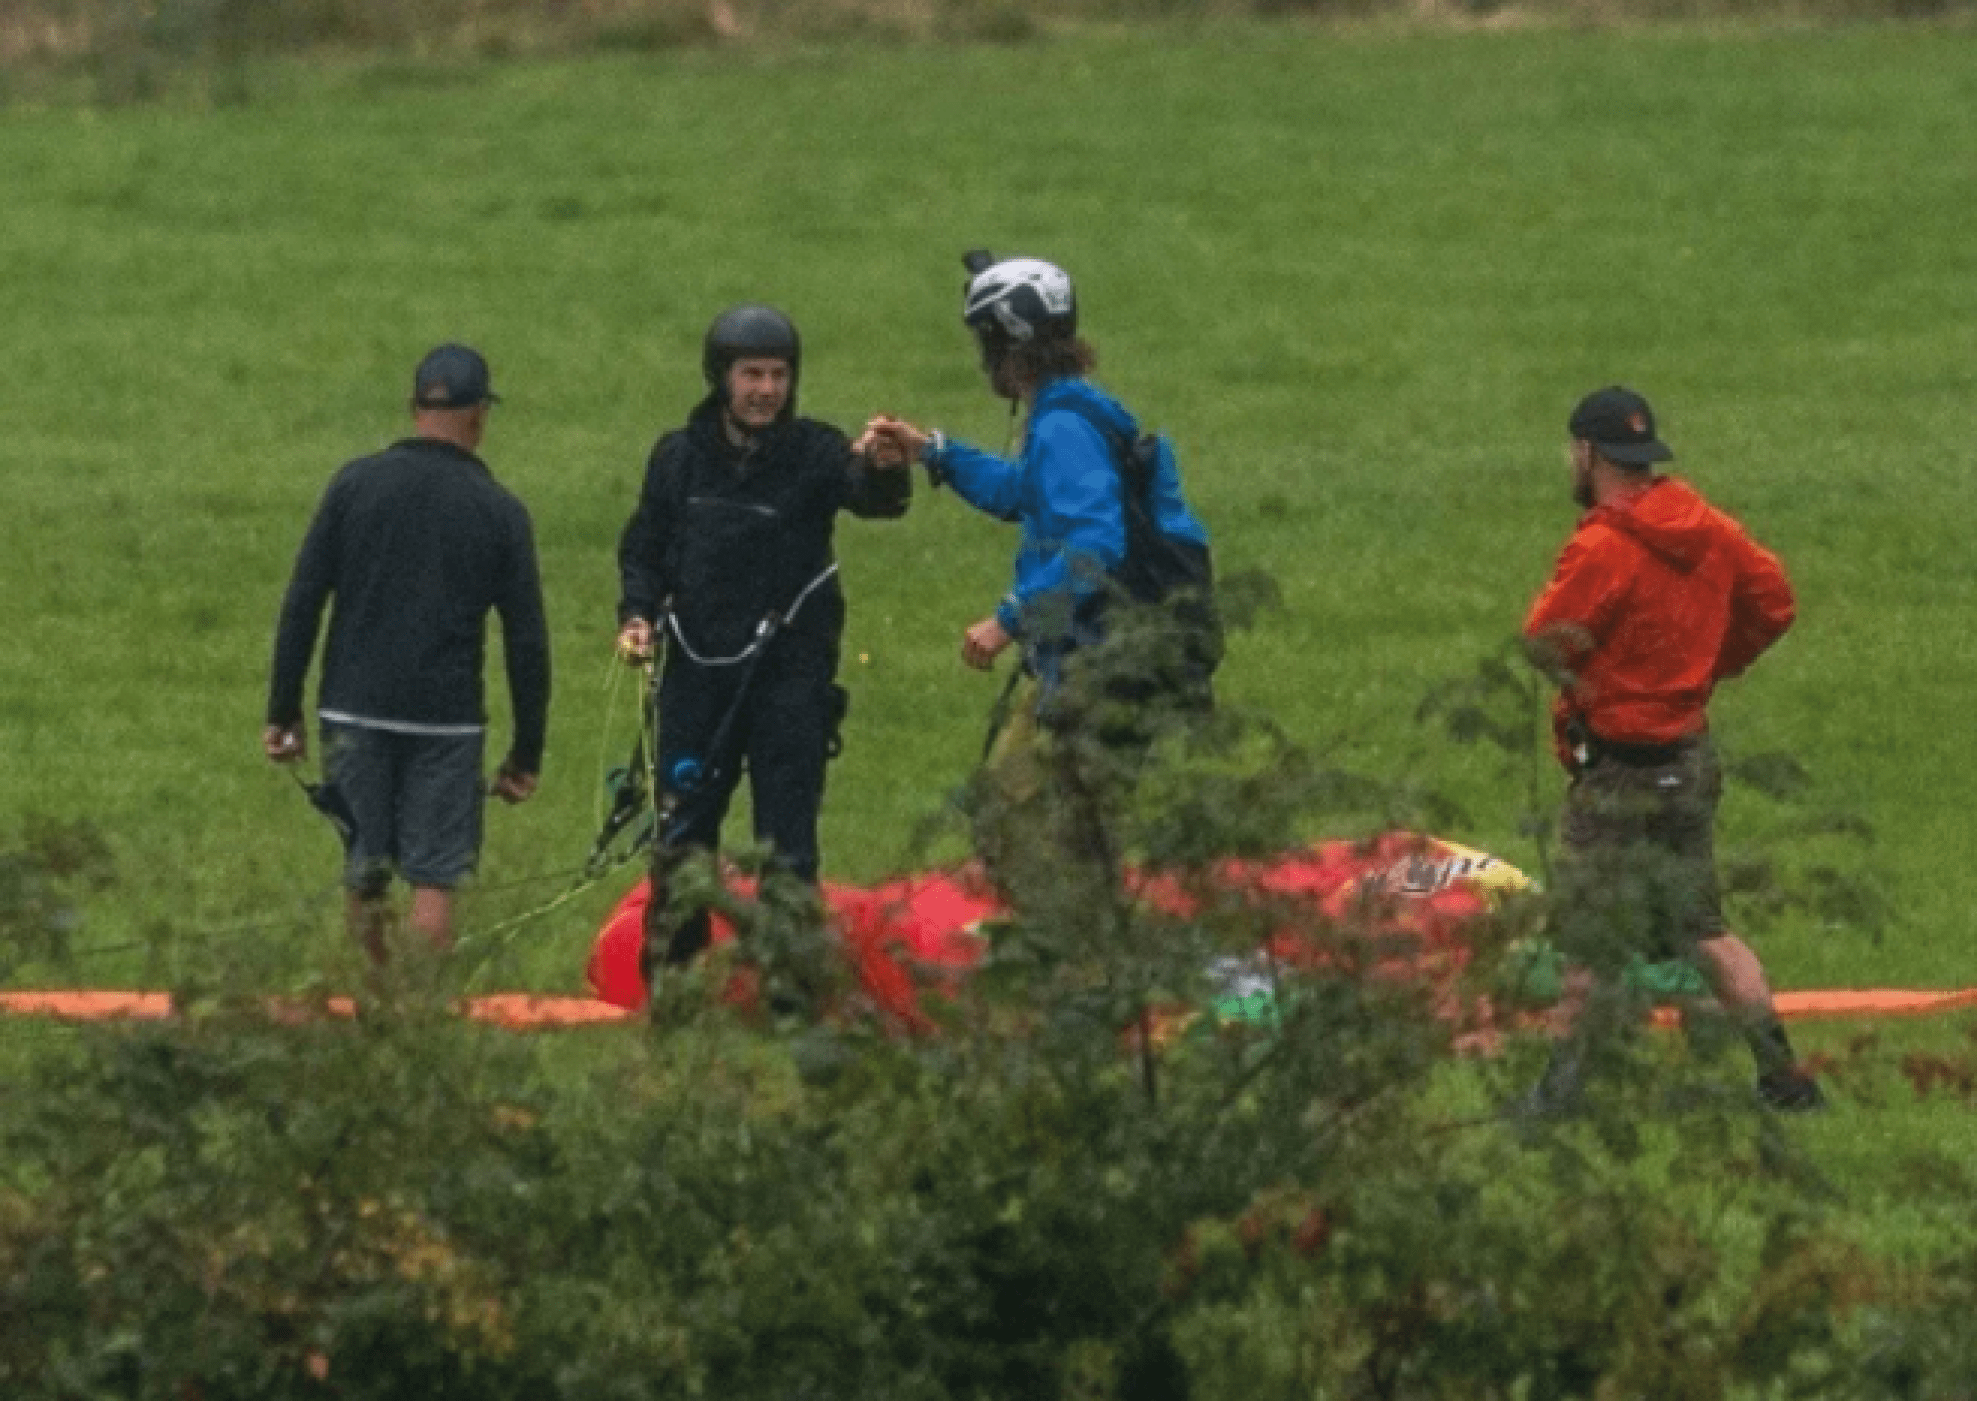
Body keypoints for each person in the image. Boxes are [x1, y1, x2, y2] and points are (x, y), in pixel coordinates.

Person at [1522, 385, 1822, 1111]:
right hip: (1687, 761)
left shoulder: (1603, 545)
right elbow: (1773, 601)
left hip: (1616, 772)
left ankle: (1559, 1096)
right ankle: (1785, 1079)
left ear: (1588, 454)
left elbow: (1542, 637)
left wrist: (1594, 681)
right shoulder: (1707, 527)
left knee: (1586, 937)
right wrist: (1710, 662)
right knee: (1705, 931)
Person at [616, 304, 910, 969]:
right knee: (682, 841)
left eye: (777, 375)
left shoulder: (816, 451)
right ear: (721, 377)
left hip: (787, 680)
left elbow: (876, 499)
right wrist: (635, 616)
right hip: (696, 676)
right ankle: (674, 992)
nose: (765, 390)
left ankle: (790, 994)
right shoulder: (678, 457)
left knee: (787, 847)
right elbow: (645, 549)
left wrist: (887, 465)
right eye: (751, 374)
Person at [265, 344, 551, 961]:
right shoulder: (500, 511)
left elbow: (304, 600)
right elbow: (526, 638)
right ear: (478, 416)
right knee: (434, 880)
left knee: (364, 871)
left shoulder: (354, 485)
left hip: (353, 708)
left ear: (413, 408)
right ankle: (418, 1024)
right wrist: (526, 749)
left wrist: (283, 709)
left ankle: (374, 1018)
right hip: (447, 719)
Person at [860, 253, 1216, 741]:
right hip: (1105, 653)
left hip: (1101, 663)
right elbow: (1022, 493)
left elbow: (1096, 543)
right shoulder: (1070, 408)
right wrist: (931, 452)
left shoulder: (1062, 426)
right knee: (1039, 805)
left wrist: (1010, 620)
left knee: (1026, 808)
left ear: (1005, 341)